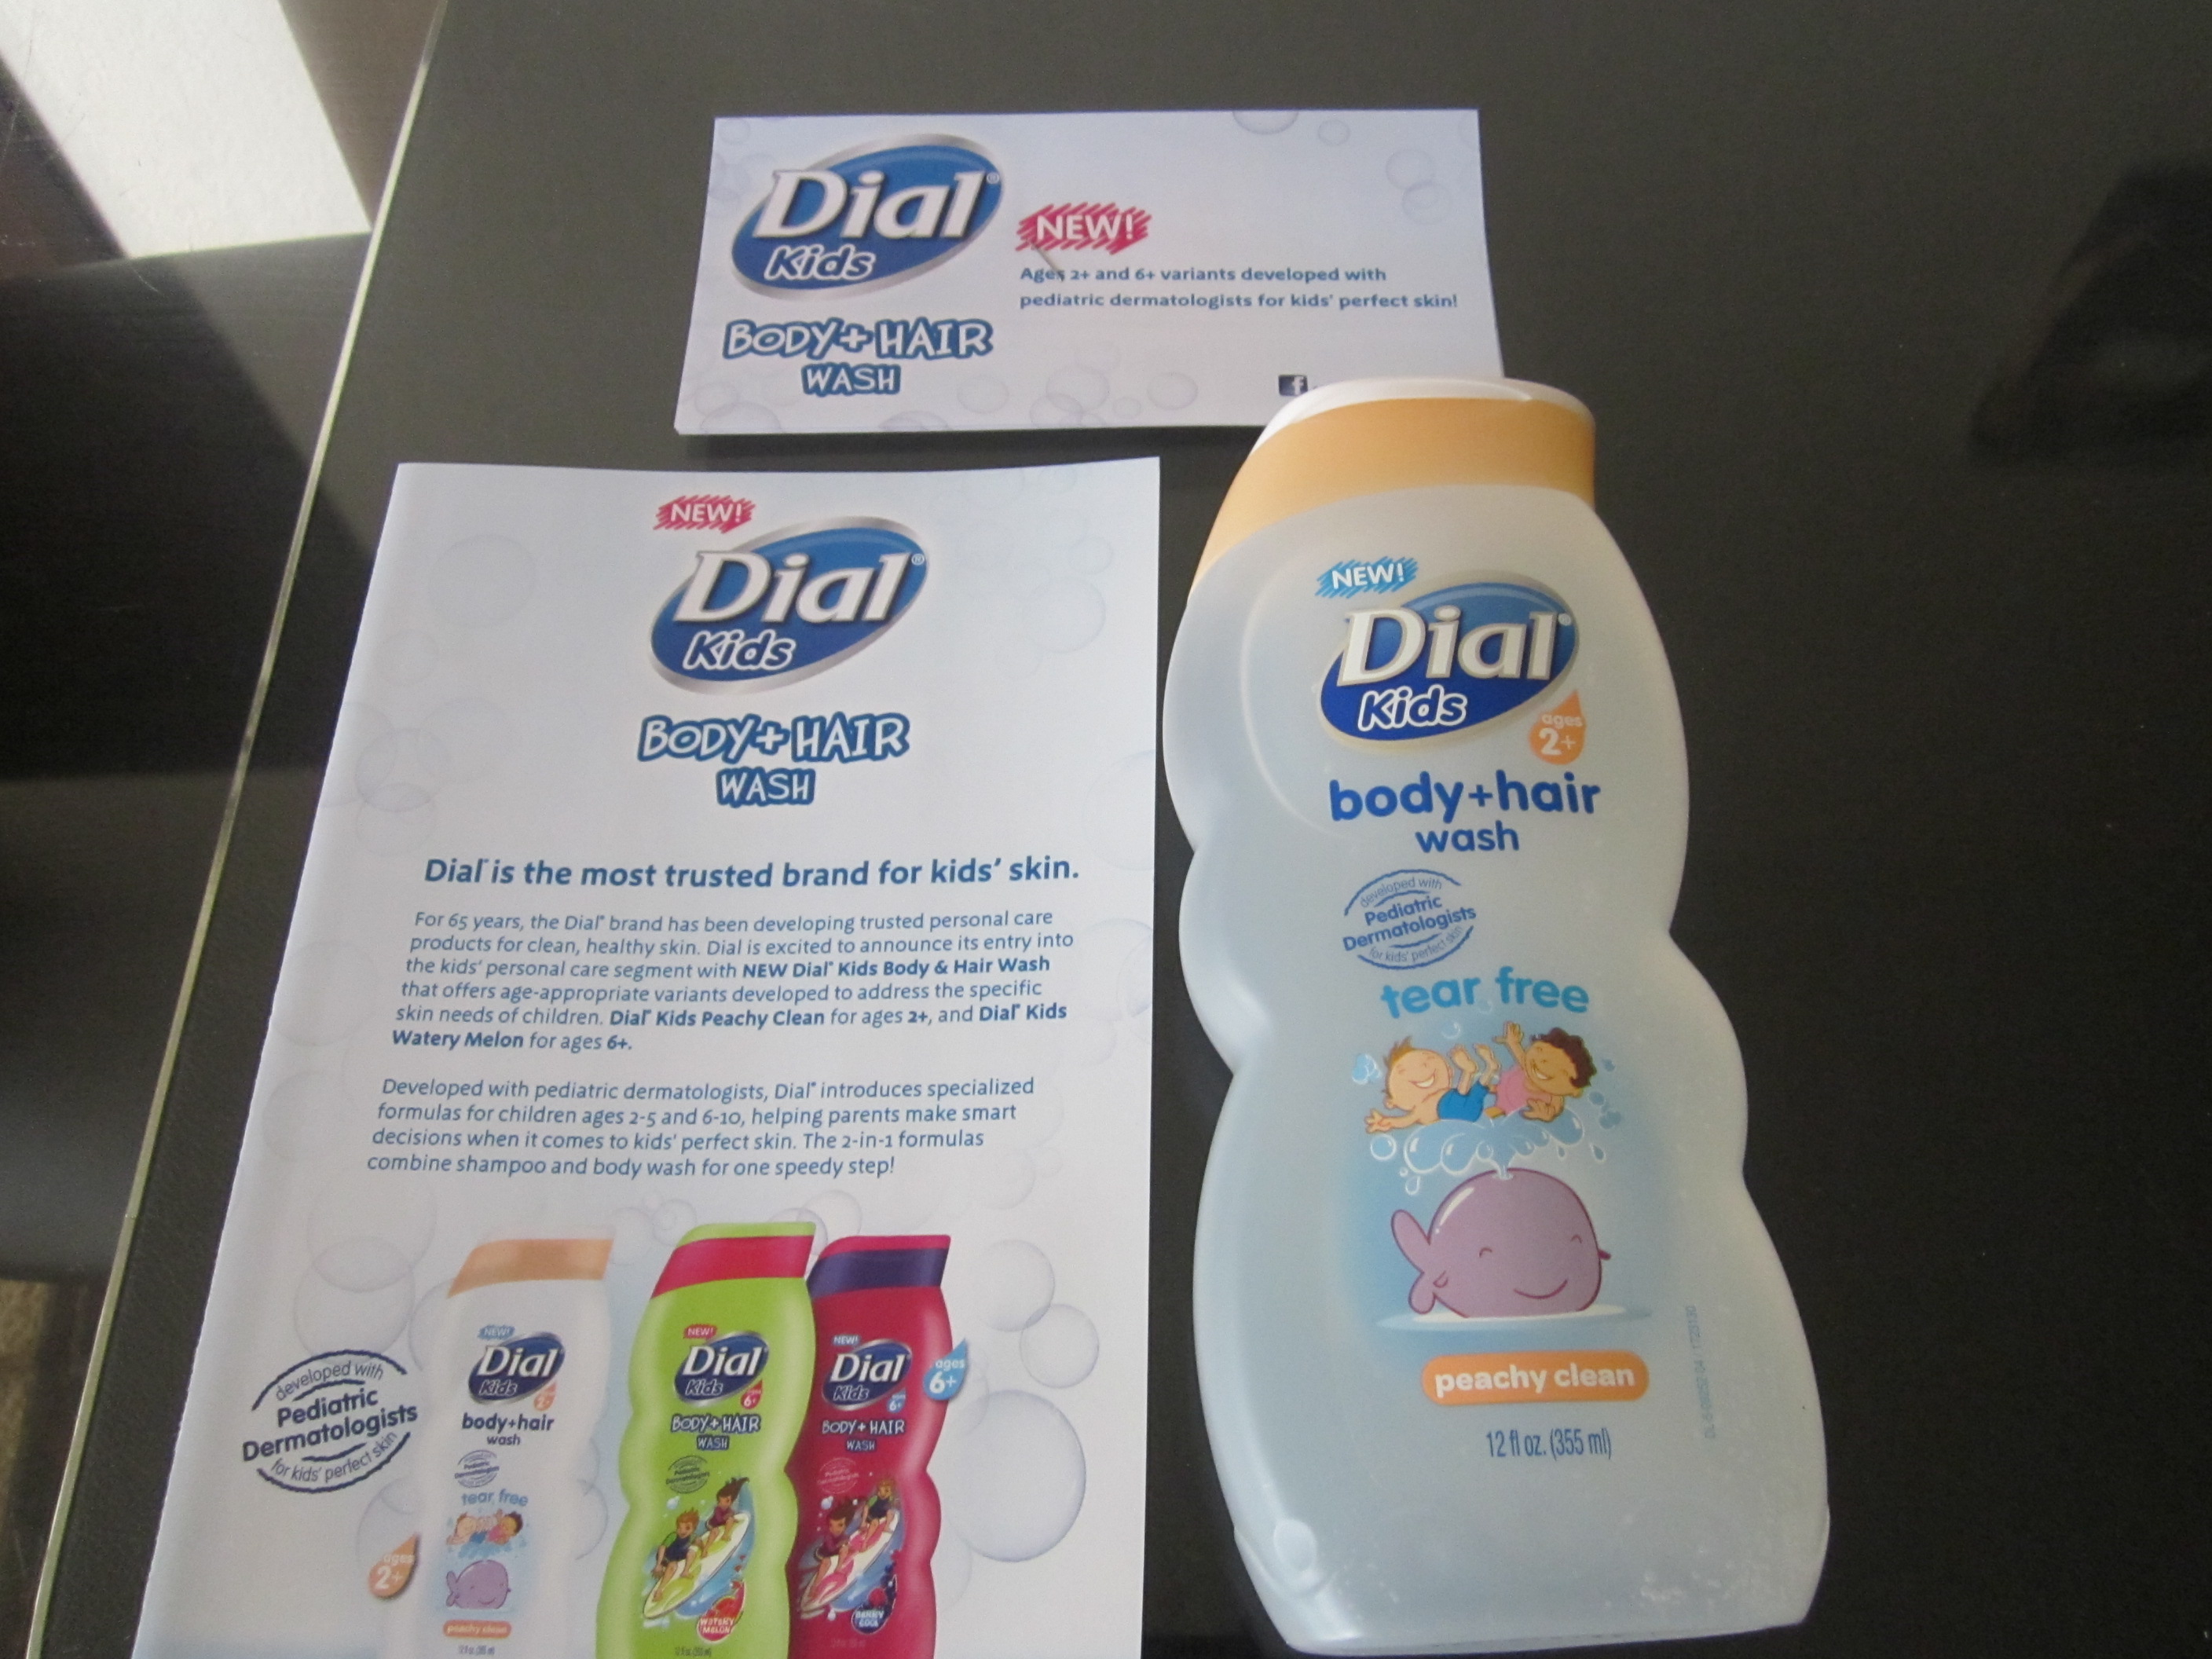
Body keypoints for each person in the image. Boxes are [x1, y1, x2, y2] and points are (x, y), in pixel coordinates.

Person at [1364, 1037, 1499, 1133]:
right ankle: (1476, 1071)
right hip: (1456, 1112)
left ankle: (1487, 1068)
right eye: (1403, 1071)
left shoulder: (1442, 1092)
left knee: (1473, 1093)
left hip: (1467, 1110)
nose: (1423, 1068)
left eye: (1427, 1061)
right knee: (1470, 1094)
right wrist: (1387, 1121)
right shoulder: (1420, 1110)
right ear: (1391, 1102)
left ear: (1450, 1071)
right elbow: (1403, 1121)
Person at [1488, 1023, 1595, 1122]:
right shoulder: (1527, 1067)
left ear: (1576, 1091)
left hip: (1509, 1105)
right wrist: (1513, 1042)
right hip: (1501, 1087)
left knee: (1491, 1112)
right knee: (1483, 1088)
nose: (1543, 1062)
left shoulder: (1554, 1097)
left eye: (1562, 1070)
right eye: (1540, 1050)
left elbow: (1554, 1110)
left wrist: (1546, 1115)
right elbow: (1521, 1056)